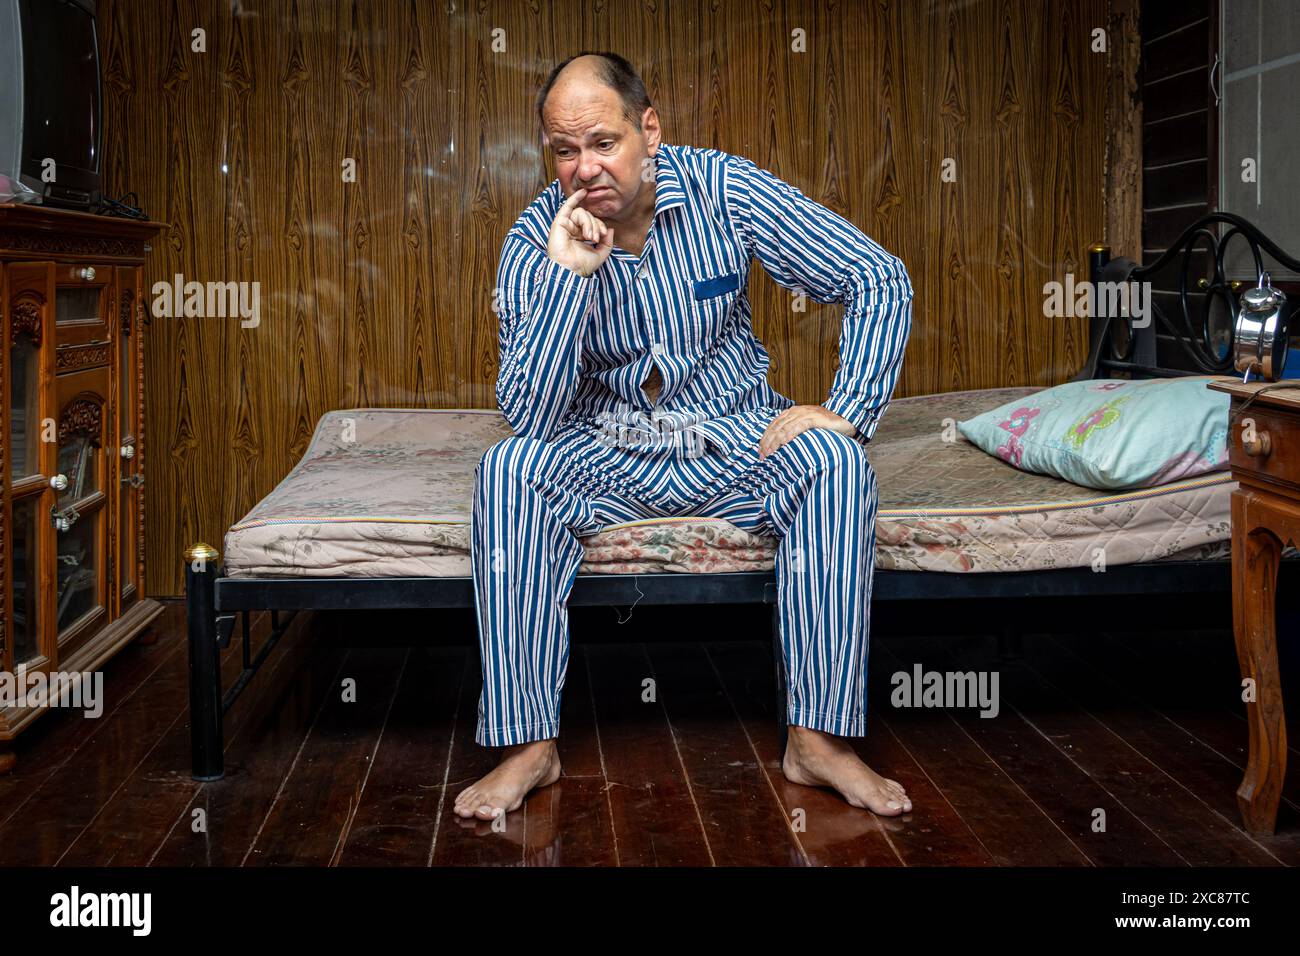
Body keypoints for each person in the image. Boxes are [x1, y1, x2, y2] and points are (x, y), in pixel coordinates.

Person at [455, 51, 914, 822]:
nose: (584, 167)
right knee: (508, 469)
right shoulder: (536, 235)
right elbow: (529, 417)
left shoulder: (725, 190)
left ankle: (818, 741)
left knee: (835, 460)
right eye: (564, 151)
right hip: (604, 448)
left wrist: (850, 407)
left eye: (603, 142)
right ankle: (528, 744)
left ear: (650, 129)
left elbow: (876, 276)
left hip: (735, 440)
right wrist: (570, 277)